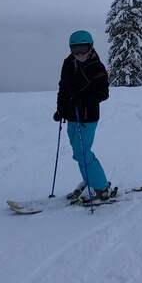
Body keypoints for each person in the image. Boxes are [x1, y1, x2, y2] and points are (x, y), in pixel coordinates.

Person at [53, 30, 111, 201]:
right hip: (72, 115)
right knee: (78, 151)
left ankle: (101, 186)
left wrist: (84, 99)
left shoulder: (97, 66)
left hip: (88, 116)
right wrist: (61, 108)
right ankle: (90, 179)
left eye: (83, 49)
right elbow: (63, 87)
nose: (79, 54)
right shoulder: (68, 62)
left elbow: (103, 93)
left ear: (91, 47)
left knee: (83, 153)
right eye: (75, 49)